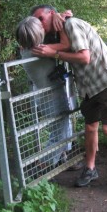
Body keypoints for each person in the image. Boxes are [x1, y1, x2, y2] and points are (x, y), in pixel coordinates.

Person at [30, 5, 107, 192]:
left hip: (106, 80)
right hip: (87, 86)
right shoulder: (56, 32)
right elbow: (38, 40)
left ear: (51, 13)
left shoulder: (71, 25)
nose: (39, 23)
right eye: (35, 21)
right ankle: (90, 169)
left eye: (41, 18)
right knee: (90, 127)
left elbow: (84, 57)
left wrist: (54, 54)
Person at [16, 15, 80, 171]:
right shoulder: (39, 51)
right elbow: (66, 45)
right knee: (61, 132)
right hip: (51, 96)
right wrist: (60, 20)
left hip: (46, 95)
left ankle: (63, 157)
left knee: (63, 126)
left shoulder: (25, 49)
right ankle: (42, 166)